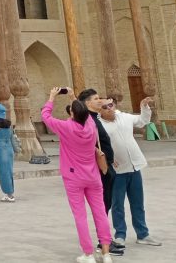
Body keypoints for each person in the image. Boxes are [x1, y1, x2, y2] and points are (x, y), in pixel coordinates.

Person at [43, 88, 113, 263]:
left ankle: (88, 254)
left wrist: (51, 97)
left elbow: (46, 116)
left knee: (80, 215)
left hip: (74, 177)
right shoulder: (90, 125)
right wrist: (73, 96)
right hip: (93, 176)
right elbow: (84, 113)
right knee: (100, 213)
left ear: (72, 113)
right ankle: (106, 253)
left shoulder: (66, 127)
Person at [100, 97, 162, 248]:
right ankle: (120, 234)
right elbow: (95, 145)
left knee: (138, 203)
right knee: (117, 204)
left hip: (134, 166)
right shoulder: (98, 125)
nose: (110, 108)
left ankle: (143, 234)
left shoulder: (124, 117)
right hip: (117, 171)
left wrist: (143, 106)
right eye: (105, 107)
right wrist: (107, 159)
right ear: (99, 110)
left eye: (111, 104)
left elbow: (142, 121)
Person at [79, 88, 121, 257]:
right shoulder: (87, 119)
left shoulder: (94, 118)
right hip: (99, 169)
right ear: (87, 103)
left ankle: (106, 240)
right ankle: (103, 242)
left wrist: (110, 158)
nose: (100, 100)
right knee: (102, 206)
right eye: (96, 98)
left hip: (106, 165)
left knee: (106, 204)